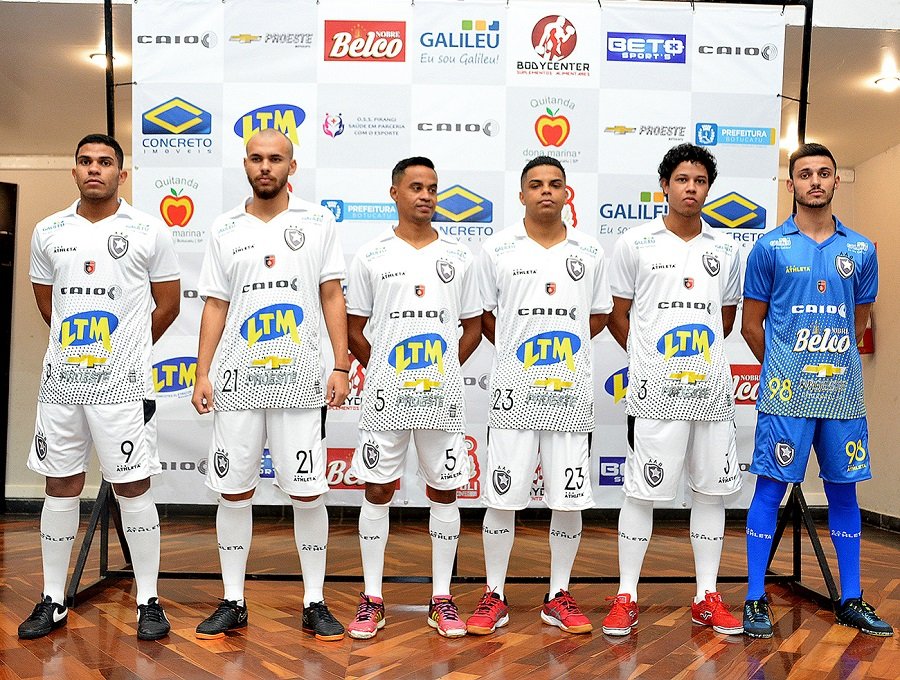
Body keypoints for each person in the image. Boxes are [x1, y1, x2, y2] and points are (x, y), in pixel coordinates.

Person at [19, 134, 180, 641]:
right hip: (63, 384)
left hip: (123, 389)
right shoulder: (48, 231)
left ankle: (149, 601)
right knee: (60, 485)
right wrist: (79, 350)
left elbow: (169, 304)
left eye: (105, 162)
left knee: (133, 486)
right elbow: (47, 302)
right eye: (85, 161)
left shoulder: (148, 230)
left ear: (121, 174)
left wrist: (126, 351)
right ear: (74, 172)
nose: (95, 169)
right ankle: (52, 599)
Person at [191, 128, 349, 642]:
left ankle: (314, 601)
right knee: (234, 491)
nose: (265, 166)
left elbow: (331, 295)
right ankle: (233, 600)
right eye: (256, 158)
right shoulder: (224, 228)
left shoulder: (317, 221)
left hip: (299, 381)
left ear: (291, 166)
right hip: (238, 381)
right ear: (245, 164)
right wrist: (202, 371)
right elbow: (215, 303)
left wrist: (341, 364)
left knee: (307, 493)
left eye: (275, 158)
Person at [741, 142, 893, 638]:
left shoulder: (861, 250)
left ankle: (851, 598)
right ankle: (754, 599)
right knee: (769, 489)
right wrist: (786, 368)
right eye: (805, 174)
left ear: (835, 181)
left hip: (842, 394)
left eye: (823, 173)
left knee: (844, 491)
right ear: (791, 184)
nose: (815, 181)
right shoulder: (769, 248)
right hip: (786, 396)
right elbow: (751, 326)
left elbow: (858, 321)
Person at [466, 156, 611, 636]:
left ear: (567, 193)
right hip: (513, 394)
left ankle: (558, 595)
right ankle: (494, 593)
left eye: (554, 184)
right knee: (502, 497)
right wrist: (519, 352)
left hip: (569, 394)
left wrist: (559, 353)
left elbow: (598, 314)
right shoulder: (498, 249)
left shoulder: (589, 250)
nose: (546, 191)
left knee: (568, 500)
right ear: (522, 195)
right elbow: (484, 316)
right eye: (536, 184)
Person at [603, 143, 743, 637]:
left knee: (711, 492)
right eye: (682, 179)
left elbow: (725, 319)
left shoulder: (726, 249)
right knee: (641, 492)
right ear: (665, 185)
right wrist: (648, 358)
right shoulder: (635, 243)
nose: (691, 189)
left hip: (711, 393)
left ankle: (706, 596)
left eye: (700, 181)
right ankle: (626, 595)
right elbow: (616, 313)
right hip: (655, 395)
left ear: (708, 188)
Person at [344, 157, 482, 639]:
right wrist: (387, 370)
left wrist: (441, 371)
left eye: (433, 188)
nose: (426, 195)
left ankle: (441, 598)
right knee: (378, 490)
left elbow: (473, 327)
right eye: (416, 187)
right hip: (386, 399)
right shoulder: (372, 255)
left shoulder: (459, 256)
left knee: (444, 490)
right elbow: (354, 328)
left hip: (441, 399)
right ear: (395, 193)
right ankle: (372, 598)